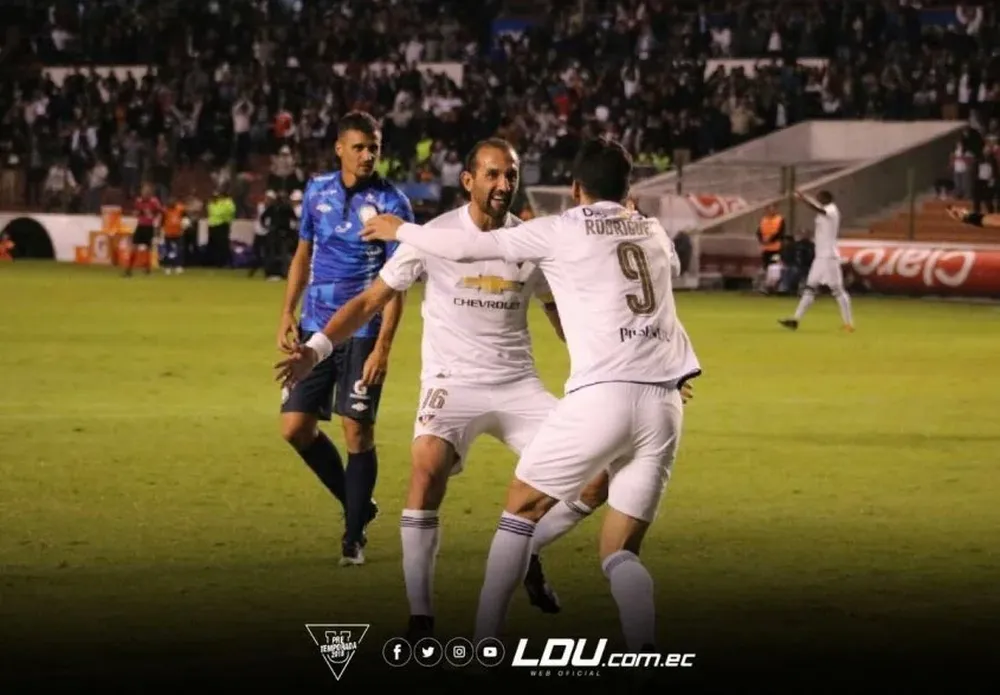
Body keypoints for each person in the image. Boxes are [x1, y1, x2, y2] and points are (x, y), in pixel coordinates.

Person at [359, 138, 702, 652]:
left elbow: (463, 246)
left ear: (575, 188)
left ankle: (485, 645)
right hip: (665, 400)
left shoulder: (560, 229)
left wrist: (399, 229)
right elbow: (665, 273)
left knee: (519, 510)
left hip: (602, 395)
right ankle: (643, 652)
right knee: (620, 553)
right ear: (628, 189)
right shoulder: (652, 231)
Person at [277, 111, 414, 566]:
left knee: (358, 431)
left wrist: (384, 347)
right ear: (340, 148)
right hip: (316, 327)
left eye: (374, 146)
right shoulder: (317, 191)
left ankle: (353, 537)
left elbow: (398, 284)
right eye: (359, 147)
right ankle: (359, 504)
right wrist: (287, 313)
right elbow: (303, 254)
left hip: (364, 330)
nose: (369, 154)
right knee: (295, 428)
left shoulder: (393, 204)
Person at [779, 190, 855, 332]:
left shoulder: (832, 210)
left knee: (837, 290)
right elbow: (818, 208)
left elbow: (819, 209)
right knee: (810, 288)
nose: (818, 199)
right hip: (820, 256)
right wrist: (805, 197)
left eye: (820, 197)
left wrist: (804, 200)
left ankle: (849, 323)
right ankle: (795, 320)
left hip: (829, 256)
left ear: (827, 198)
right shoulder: (825, 210)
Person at [124, 182, 162, 277]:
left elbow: (160, 211)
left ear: (150, 193)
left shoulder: (154, 202)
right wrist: (136, 213)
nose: (145, 193)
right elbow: (137, 211)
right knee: (134, 247)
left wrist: (155, 220)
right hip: (140, 226)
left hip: (149, 226)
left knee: (148, 248)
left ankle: (147, 269)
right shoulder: (139, 201)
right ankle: (129, 269)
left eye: (147, 191)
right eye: (143, 191)